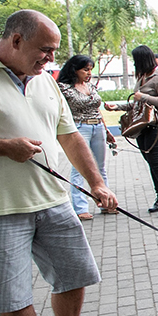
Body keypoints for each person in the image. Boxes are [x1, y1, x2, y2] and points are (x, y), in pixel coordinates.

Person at [0, 9, 117, 316]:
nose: (50, 60)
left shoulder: (45, 83)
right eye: (44, 51)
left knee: (73, 275)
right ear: (16, 41)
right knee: (13, 294)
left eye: (53, 53)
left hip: (53, 200)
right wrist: (4, 147)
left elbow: (69, 136)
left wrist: (97, 183)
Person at [105, 45, 158, 217]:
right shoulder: (141, 79)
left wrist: (144, 96)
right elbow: (137, 105)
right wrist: (117, 107)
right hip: (144, 127)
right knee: (151, 163)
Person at [57, 54, 116, 220]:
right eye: (85, 69)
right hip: (79, 127)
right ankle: (80, 208)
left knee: (100, 167)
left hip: (97, 126)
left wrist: (107, 130)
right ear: (74, 70)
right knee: (79, 168)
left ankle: (106, 203)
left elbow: (97, 109)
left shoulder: (90, 86)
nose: (89, 73)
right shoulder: (64, 88)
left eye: (90, 69)